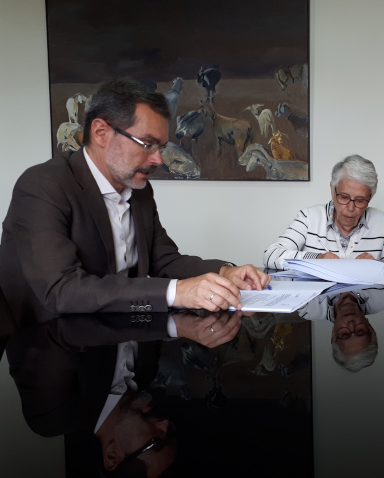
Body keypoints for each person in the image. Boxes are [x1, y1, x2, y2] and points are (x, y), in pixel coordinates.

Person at [0, 77, 271, 327]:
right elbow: (62, 290)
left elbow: (163, 259)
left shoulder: (139, 190)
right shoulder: (42, 187)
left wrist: (225, 272)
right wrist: (177, 292)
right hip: (58, 347)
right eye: (147, 144)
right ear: (101, 132)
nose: (159, 160)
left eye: (160, 147)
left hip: (125, 338)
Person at [263, 155, 384, 270]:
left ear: (370, 198)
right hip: (318, 300)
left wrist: (378, 265)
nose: (351, 208)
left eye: (360, 200)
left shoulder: (381, 222)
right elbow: (271, 255)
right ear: (332, 190)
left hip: (363, 298)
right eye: (344, 197)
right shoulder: (309, 217)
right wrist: (317, 258)